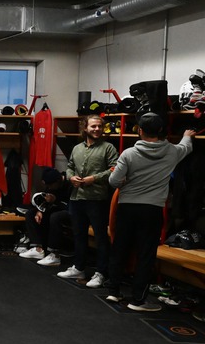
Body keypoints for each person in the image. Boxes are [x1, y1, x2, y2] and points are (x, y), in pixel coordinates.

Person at [106, 113, 194, 311]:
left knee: (120, 248)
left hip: (127, 207)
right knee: (145, 254)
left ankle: (113, 291)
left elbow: (113, 181)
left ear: (140, 131)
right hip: (152, 210)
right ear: (161, 131)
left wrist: (125, 180)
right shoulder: (172, 151)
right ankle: (138, 300)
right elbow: (186, 147)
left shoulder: (128, 153)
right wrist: (187, 135)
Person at [58, 114, 118, 288]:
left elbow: (115, 169)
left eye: (99, 126)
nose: (97, 129)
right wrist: (71, 177)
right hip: (77, 198)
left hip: (97, 199)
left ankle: (101, 273)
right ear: (85, 128)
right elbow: (69, 167)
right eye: (93, 126)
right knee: (78, 235)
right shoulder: (77, 148)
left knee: (101, 237)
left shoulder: (108, 148)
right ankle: (79, 268)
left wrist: (95, 178)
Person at [19, 168, 72, 266]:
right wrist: (40, 210)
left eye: (50, 185)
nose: (49, 187)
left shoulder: (70, 184)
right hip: (58, 208)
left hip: (71, 211)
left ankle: (54, 254)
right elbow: (45, 200)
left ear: (57, 181)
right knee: (30, 214)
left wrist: (55, 200)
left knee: (55, 217)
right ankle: (37, 248)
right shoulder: (52, 184)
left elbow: (71, 206)